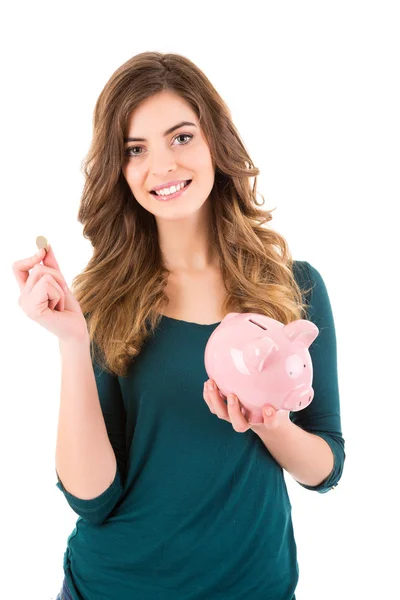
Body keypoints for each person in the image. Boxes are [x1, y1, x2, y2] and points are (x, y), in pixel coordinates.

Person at [13, 52, 346, 600]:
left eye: (182, 137)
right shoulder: (102, 301)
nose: (162, 165)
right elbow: (91, 497)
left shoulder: (294, 288)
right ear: (119, 171)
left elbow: (325, 468)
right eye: (135, 149)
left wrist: (266, 423)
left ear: (216, 141)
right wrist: (74, 344)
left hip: (254, 587)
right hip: (116, 586)